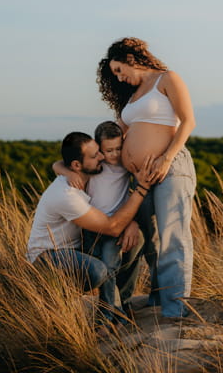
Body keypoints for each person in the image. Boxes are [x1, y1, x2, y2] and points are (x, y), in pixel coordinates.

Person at [97, 36, 196, 319]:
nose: (118, 77)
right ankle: (157, 301)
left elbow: (188, 121)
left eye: (118, 70)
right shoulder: (132, 96)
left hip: (170, 168)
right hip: (140, 179)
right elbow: (113, 134)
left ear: (130, 58)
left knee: (172, 237)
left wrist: (165, 159)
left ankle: (176, 310)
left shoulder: (167, 78)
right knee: (148, 240)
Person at [26, 130, 153, 324]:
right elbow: (112, 227)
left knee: (137, 239)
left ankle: (122, 306)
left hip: (79, 247)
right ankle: (66, 302)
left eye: (100, 151)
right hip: (48, 257)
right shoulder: (66, 195)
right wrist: (142, 188)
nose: (102, 157)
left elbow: (59, 164)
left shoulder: (88, 175)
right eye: (95, 156)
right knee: (98, 270)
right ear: (77, 165)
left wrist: (133, 222)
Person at [53, 121, 144, 319]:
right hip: (92, 226)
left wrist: (133, 221)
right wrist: (68, 172)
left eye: (118, 148)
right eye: (109, 150)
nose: (114, 154)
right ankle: (111, 311)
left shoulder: (126, 164)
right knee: (101, 270)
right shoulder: (95, 166)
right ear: (99, 149)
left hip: (115, 227)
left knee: (110, 266)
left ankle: (109, 315)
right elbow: (58, 164)